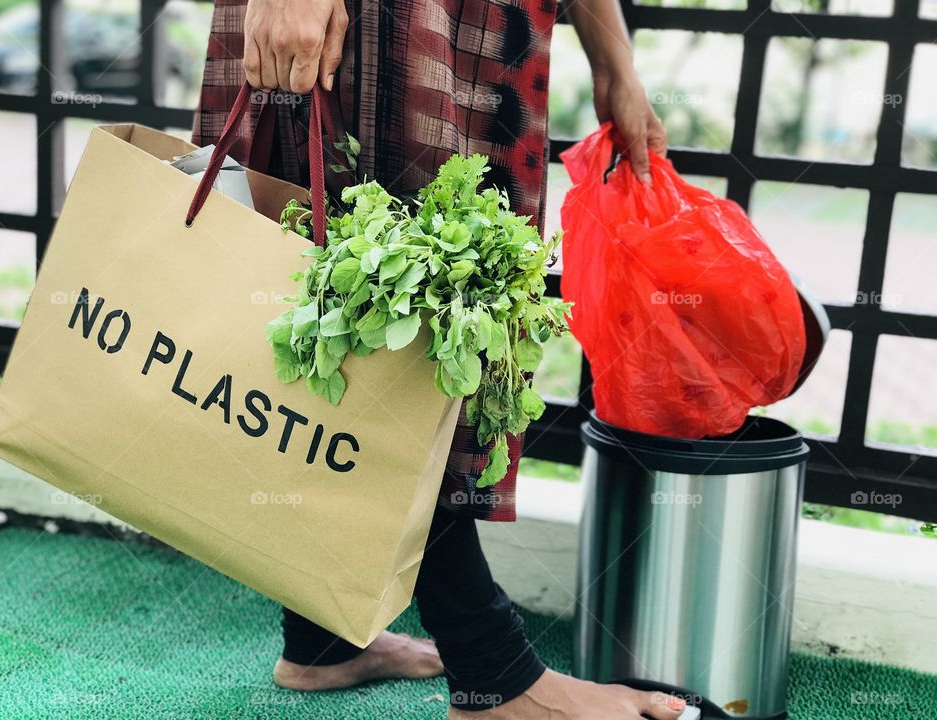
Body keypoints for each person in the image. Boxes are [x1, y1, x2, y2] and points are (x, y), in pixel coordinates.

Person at [193, 0, 676, 717]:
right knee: (385, 297)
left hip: (480, 29)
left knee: (426, 282)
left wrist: (616, 64)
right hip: (381, 16)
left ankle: (323, 638)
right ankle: (495, 673)